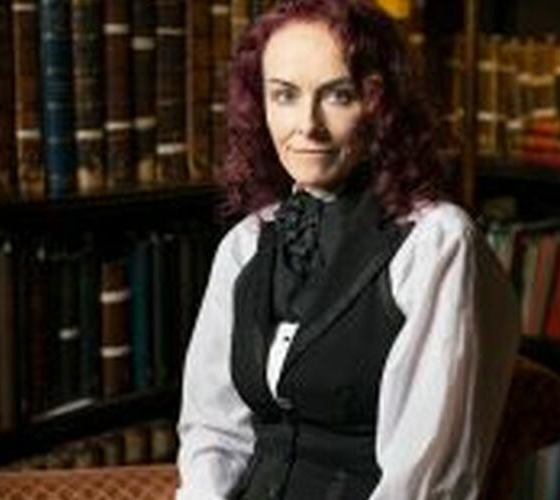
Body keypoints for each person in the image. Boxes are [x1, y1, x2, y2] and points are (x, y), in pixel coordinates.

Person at [175, 1, 520, 499]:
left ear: (382, 106)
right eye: (284, 95)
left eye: (338, 95)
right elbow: (214, 433)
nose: (307, 125)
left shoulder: (436, 244)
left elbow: (425, 480)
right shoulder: (244, 245)